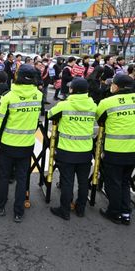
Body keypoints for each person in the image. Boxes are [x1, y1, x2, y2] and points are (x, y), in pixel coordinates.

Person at [0, 64, 42, 223]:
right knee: (21, 178)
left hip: (8, 143)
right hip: (27, 144)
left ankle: (0, 204)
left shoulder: (9, 96)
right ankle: (18, 211)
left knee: (4, 176)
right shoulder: (38, 95)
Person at [48, 78, 97, 220]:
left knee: (67, 181)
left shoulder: (64, 105)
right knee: (83, 182)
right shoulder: (93, 105)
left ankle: (65, 210)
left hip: (66, 150)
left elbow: (50, 115)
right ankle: (80, 209)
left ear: (72, 90)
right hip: (86, 150)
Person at [96, 74, 135, 225]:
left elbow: (99, 119)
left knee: (114, 182)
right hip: (133, 150)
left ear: (116, 86)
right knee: (125, 181)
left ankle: (114, 213)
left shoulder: (107, 102)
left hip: (115, 149)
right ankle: (126, 213)